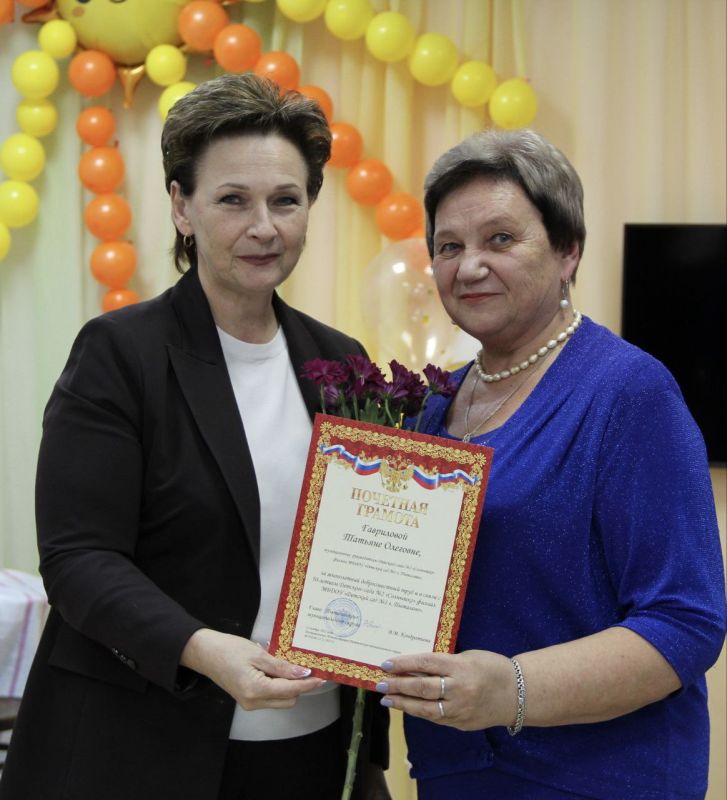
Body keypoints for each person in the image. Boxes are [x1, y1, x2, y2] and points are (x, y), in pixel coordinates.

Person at [0, 74, 390, 800]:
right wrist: (203, 650)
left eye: (286, 200)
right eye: (232, 199)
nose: (263, 227)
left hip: (313, 746)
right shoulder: (120, 353)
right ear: (182, 206)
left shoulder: (342, 363)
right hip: (145, 747)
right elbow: (79, 558)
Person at [374, 128, 727, 799]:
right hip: (457, 774)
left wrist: (511, 689)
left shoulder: (627, 392)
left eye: (500, 239)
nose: (468, 266)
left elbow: (685, 623)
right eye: (448, 246)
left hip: (594, 779)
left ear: (568, 250)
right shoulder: (433, 404)